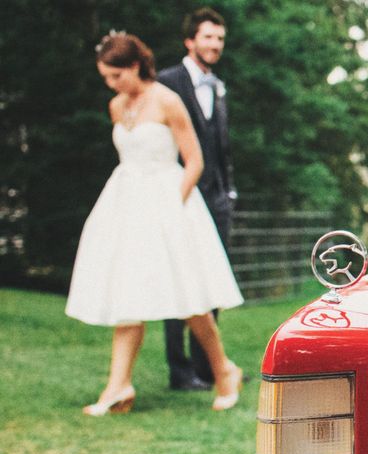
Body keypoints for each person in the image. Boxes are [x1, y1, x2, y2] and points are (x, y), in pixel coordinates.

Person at [65, 31, 243, 415]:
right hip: (126, 204)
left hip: (168, 200)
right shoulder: (116, 106)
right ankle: (118, 386)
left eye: (116, 76)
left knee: (189, 297)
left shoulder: (168, 101)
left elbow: (194, 160)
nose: (112, 86)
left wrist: (171, 204)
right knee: (126, 290)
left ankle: (224, 370)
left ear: (133, 66)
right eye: (106, 79)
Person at [157, 7, 237, 391]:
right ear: (190, 41)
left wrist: (228, 190)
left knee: (213, 282)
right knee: (178, 281)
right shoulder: (167, 82)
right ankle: (180, 370)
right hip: (180, 195)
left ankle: (209, 368)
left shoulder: (219, 86)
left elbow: (220, 148)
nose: (215, 45)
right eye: (208, 37)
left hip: (217, 199)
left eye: (219, 39)